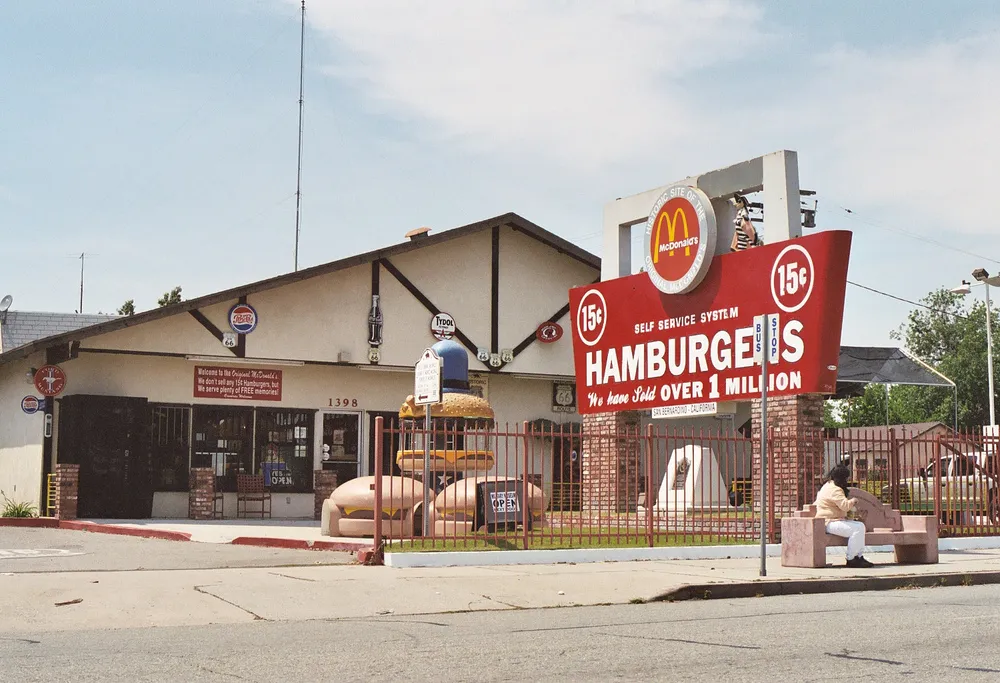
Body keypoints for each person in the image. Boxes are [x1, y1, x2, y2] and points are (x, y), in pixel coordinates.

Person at [814, 464, 874, 568]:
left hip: (829, 521)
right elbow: (845, 506)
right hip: (829, 523)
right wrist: (853, 500)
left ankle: (858, 557)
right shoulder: (835, 489)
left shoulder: (827, 485)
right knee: (857, 529)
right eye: (846, 478)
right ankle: (851, 558)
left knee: (860, 526)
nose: (847, 481)